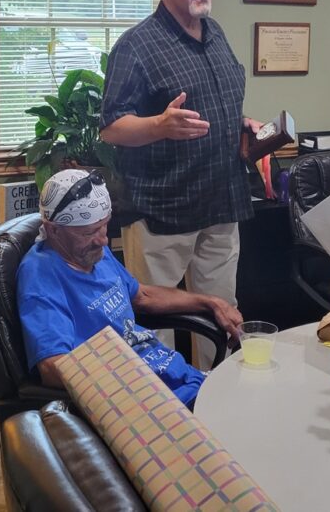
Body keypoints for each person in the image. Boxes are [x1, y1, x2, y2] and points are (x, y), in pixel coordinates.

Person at [100, 0, 259, 367]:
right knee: (156, 323)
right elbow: (111, 127)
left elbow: (217, 103)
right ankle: (165, 401)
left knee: (222, 313)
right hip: (162, 209)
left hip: (221, 202)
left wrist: (243, 123)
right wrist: (159, 125)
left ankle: (218, 397)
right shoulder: (136, 46)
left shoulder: (216, 33)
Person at [17, 169, 243, 407]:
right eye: (89, 232)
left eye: (104, 226)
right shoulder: (41, 277)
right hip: (140, 399)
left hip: (177, 377)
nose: (103, 240)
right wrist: (127, 384)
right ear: (53, 229)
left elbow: (142, 295)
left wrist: (211, 302)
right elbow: (52, 366)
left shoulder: (92, 252)